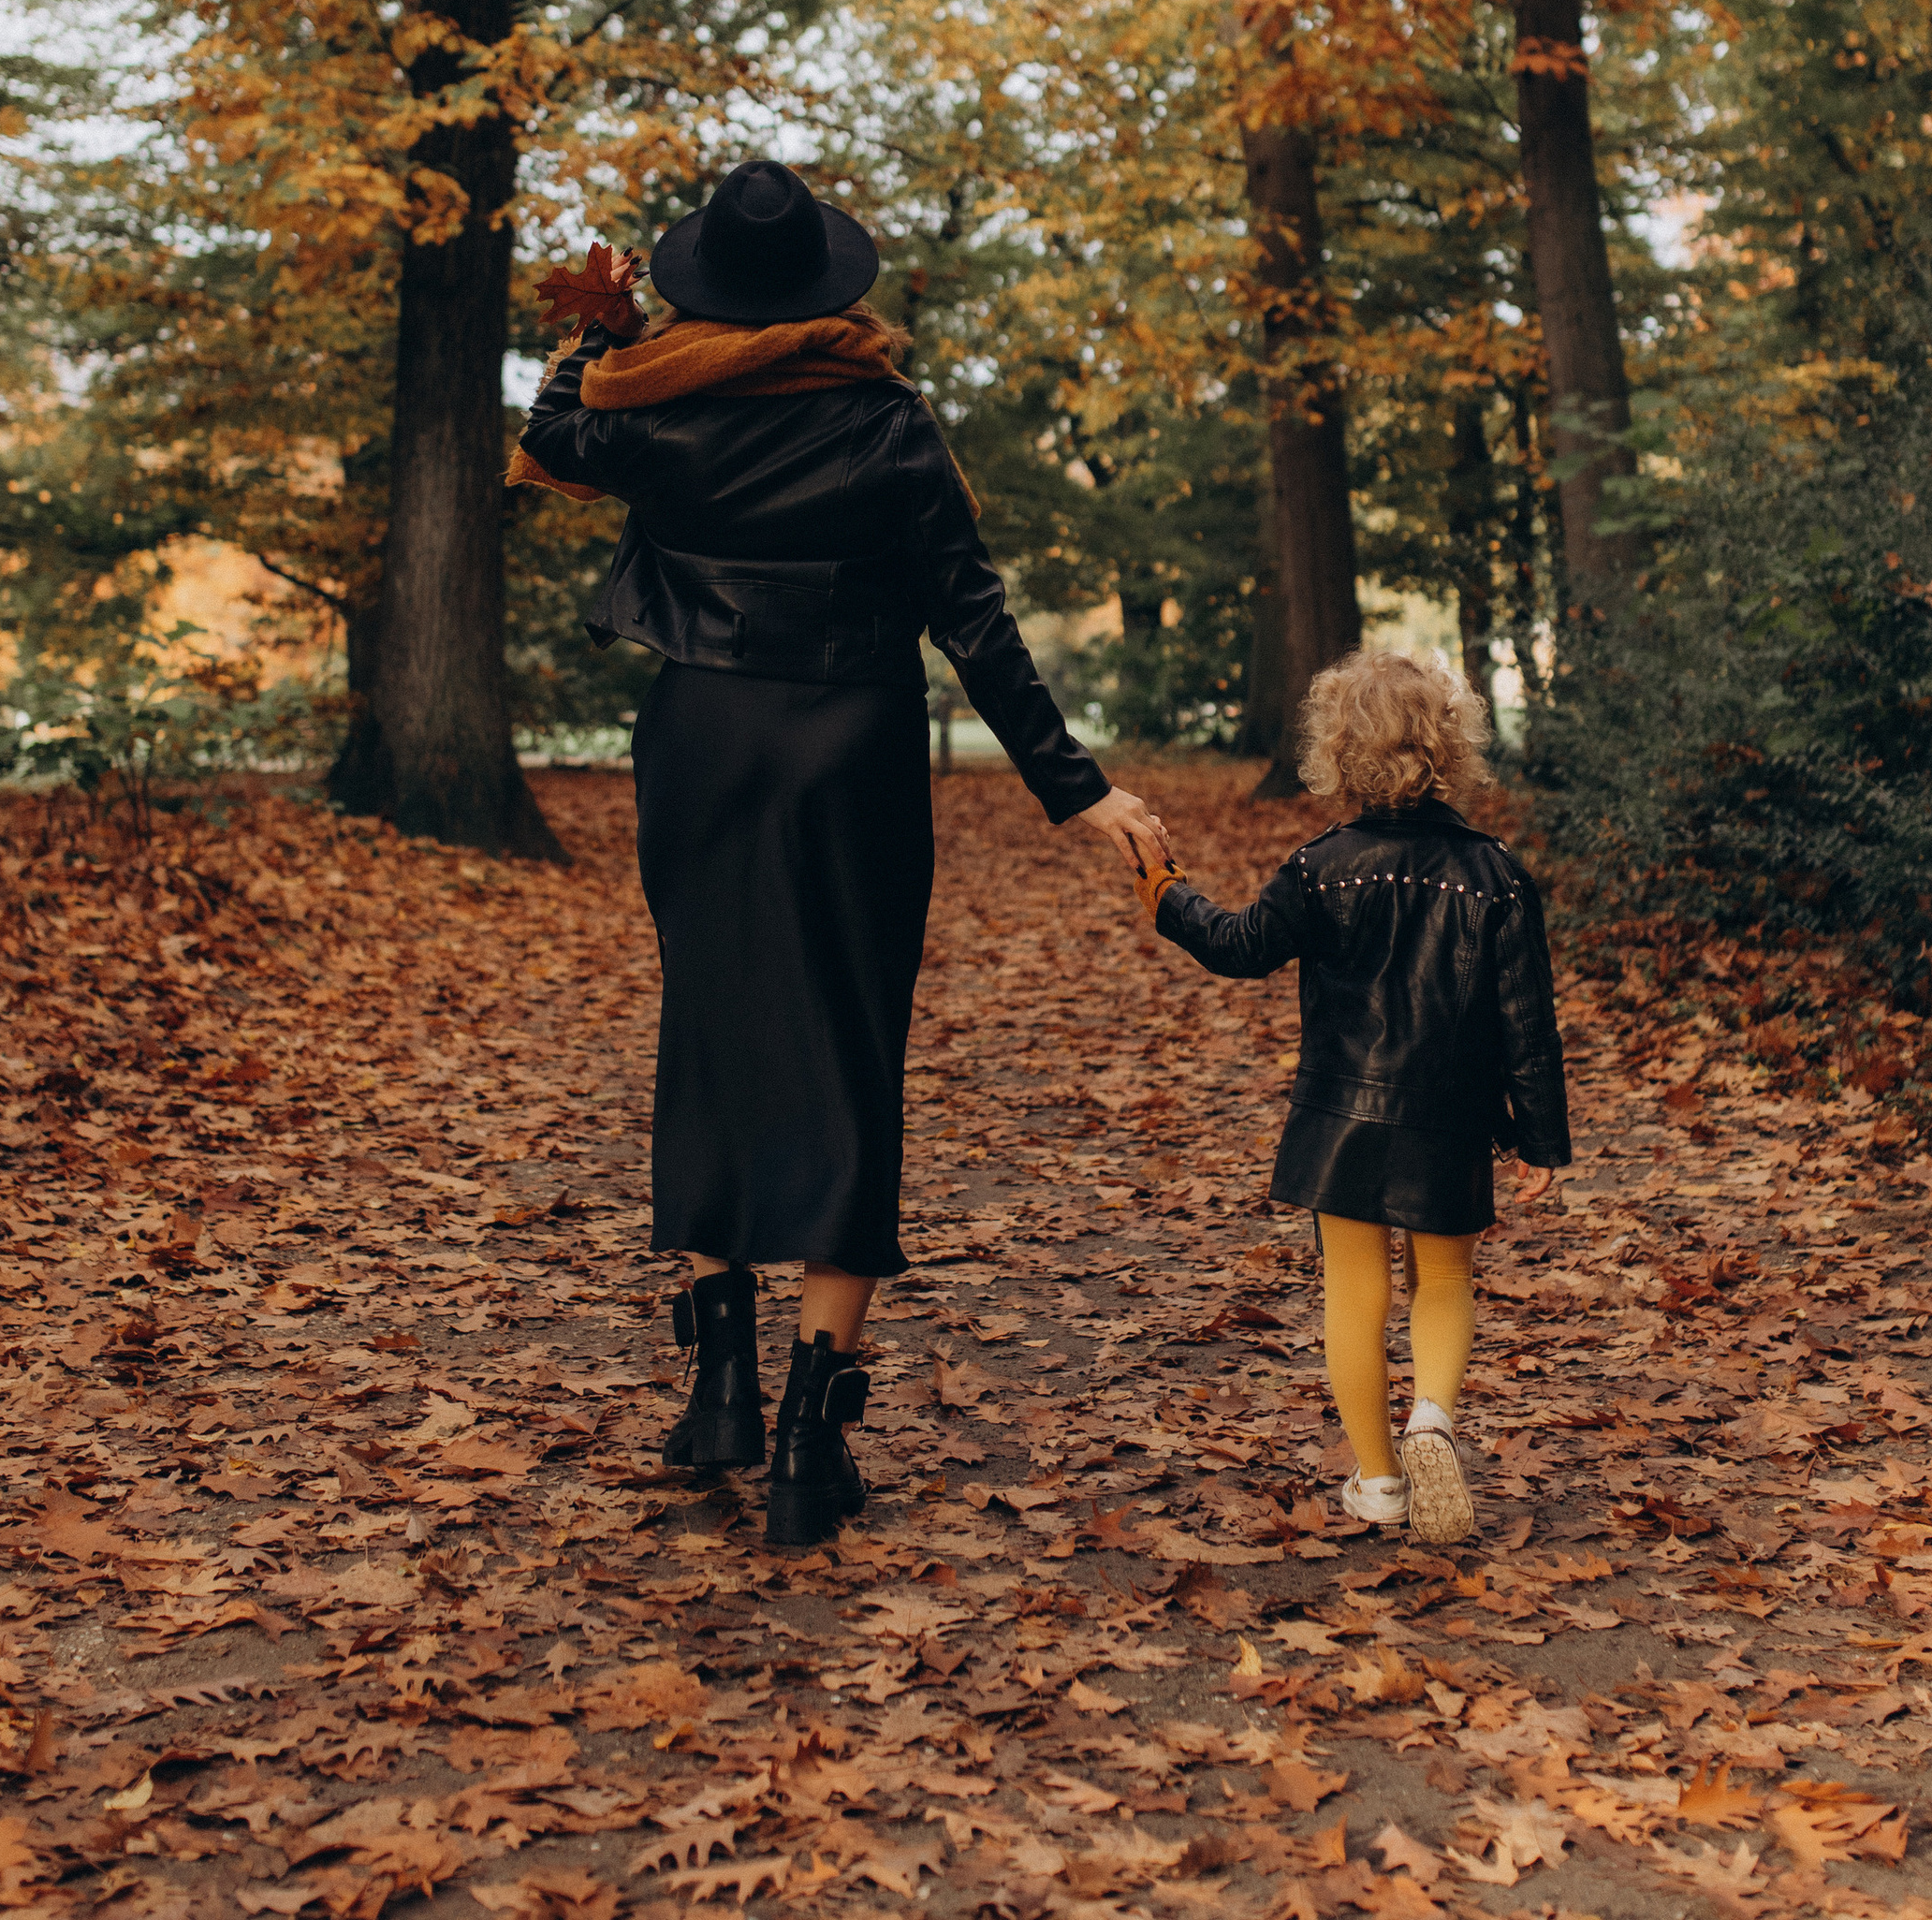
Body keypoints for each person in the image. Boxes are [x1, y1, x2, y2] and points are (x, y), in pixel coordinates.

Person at [509, 159, 1167, 1547]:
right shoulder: (888, 423)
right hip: (852, 746)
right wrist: (1076, 792)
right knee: (850, 1046)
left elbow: (552, 430)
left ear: (699, 285)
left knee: (715, 1031)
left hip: (700, 738)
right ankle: (813, 1431)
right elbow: (972, 623)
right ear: (825, 285)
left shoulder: (655, 407)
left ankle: (719, 1388)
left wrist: (599, 329)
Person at [1125, 649, 1567, 1546]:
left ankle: (1376, 1479)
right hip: (1449, 1122)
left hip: (1342, 1120)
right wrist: (1540, 1141)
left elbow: (1242, 944)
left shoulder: (1321, 867)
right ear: (1452, 744)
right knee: (1443, 1278)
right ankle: (1433, 1419)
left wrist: (1168, 894)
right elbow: (1528, 1021)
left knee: (1354, 1294)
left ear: (1338, 752)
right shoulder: (1496, 875)